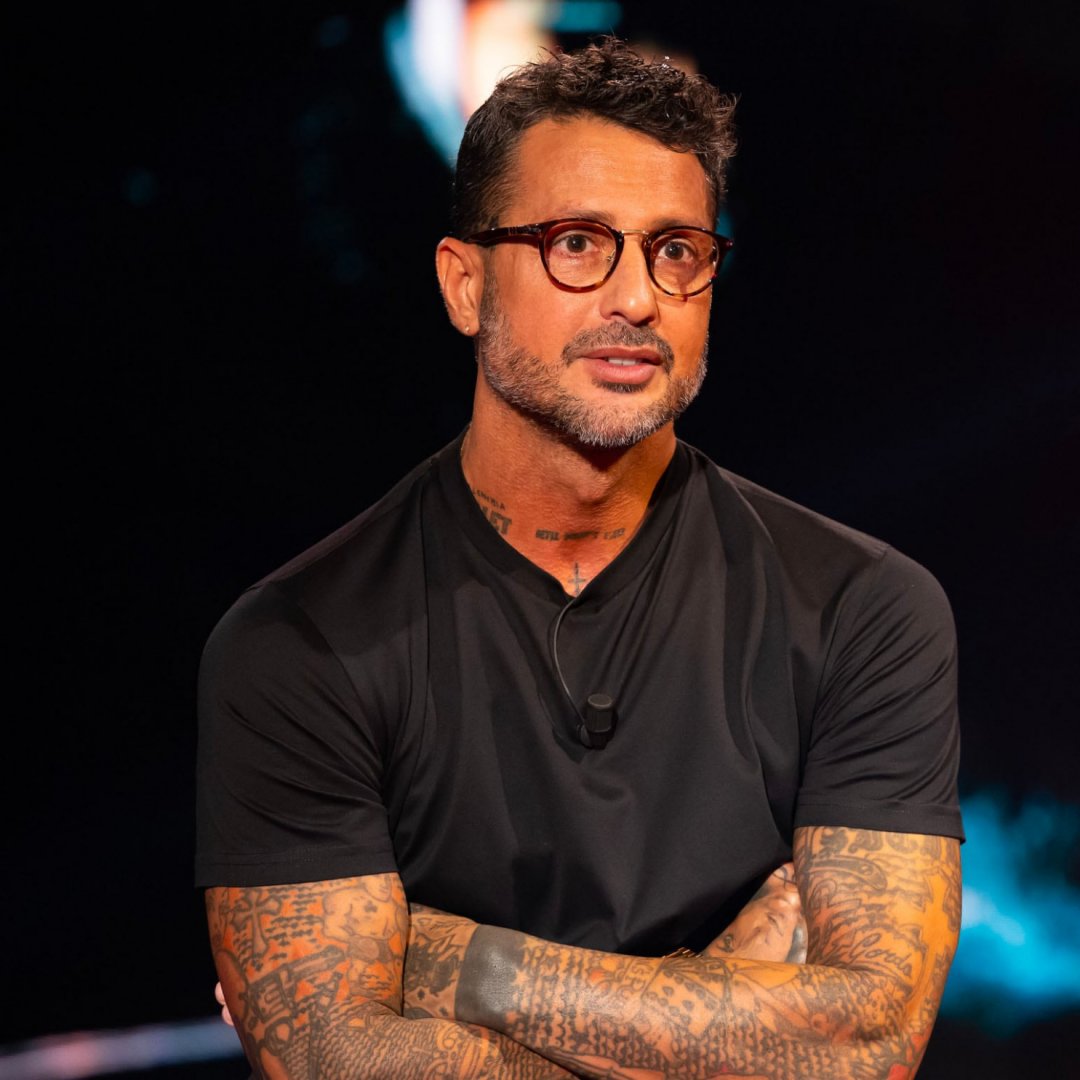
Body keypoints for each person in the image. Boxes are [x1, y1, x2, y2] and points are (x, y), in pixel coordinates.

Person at [196, 37, 963, 1078]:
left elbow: (868, 1042)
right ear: (464, 285)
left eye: (676, 250)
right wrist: (738, 1010)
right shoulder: (300, 644)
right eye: (575, 244)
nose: (638, 298)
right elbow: (333, 1059)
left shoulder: (866, 609)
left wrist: (449, 962)